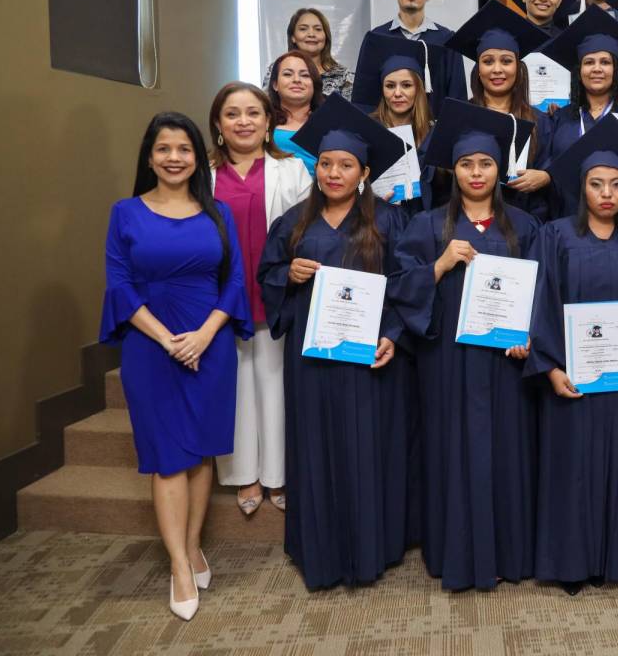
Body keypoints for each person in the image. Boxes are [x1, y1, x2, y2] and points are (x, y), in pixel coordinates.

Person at [256, 95, 414, 590]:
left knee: (368, 448)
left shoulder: (387, 221)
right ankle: (318, 549)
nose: (333, 173)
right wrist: (289, 272)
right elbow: (267, 276)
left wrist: (392, 334)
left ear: (363, 172)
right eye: (325, 163)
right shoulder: (292, 223)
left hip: (367, 359)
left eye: (345, 165)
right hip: (313, 357)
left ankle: (372, 549)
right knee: (316, 445)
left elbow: (406, 284)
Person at [100, 113, 251, 621]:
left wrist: (205, 335)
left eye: (184, 149)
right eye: (163, 149)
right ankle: (179, 567)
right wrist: (167, 339)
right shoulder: (125, 213)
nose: (173, 158)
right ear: (149, 157)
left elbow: (233, 283)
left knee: (202, 453)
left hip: (210, 343)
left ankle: (192, 547)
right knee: (168, 456)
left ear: (197, 157)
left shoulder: (218, 213)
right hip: (151, 346)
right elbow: (119, 285)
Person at [390, 99, 540, 591]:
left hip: (505, 364)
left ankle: (506, 552)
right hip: (447, 363)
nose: (476, 173)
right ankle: (454, 551)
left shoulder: (526, 226)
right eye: (466, 164)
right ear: (452, 170)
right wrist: (439, 264)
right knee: (451, 452)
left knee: (505, 453)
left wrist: (528, 339)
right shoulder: (427, 226)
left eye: (486, 163)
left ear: (501, 168)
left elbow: (545, 293)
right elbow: (399, 289)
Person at [527, 117, 618, 595]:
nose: (606, 193)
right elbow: (542, 301)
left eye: (616, 184)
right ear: (580, 188)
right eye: (596, 183)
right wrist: (551, 367)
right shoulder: (555, 236)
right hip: (572, 377)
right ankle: (571, 563)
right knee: (570, 468)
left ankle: (611, 559)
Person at [206, 82, 312, 516]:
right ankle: (243, 475)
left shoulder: (292, 171)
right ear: (218, 124)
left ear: (269, 121)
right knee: (234, 385)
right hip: (219, 298)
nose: (244, 121)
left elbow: (310, 228)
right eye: (233, 114)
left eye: (253, 113)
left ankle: (277, 475)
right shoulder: (203, 176)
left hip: (275, 292)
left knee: (274, 381)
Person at [536, 7, 618, 221]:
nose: (597, 69)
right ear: (579, 72)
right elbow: (549, 176)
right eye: (589, 62)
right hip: (569, 227)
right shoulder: (561, 119)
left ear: (617, 70)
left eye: (605, 62)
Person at [444, 0, 550, 217]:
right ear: (478, 69)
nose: (497, 69)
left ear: (518, 69)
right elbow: (431, 174)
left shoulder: (540, 121)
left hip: (524, 222)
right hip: (466, 222)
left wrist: (545, 177)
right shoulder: (458, 116)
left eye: (506, 61)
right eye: (488, 61)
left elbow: (553, 165)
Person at [365, 0, 467, 117]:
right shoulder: (376, 39)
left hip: (434, 138)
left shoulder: (448, 41)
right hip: (389, 135)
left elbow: (457, 97)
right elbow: (367, 99)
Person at [353, 30, 440, 214]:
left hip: (423, 221)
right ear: (382, 89)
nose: (397, 93)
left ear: (419, 89)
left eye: (406, 85)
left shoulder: (434, 133)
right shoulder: (367, 130)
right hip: (376, 219)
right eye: (390, 85)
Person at [262, 8, 354, 99]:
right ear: (293, 37)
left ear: (326, 37)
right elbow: (265, 107)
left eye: (318, 29)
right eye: (303, 29)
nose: (311, 34)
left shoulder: (344, 76)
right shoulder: (276, 69)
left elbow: (352, 113)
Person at [267, 50, 325, 175]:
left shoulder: (330, 124)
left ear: (314, 84)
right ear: (275, 85)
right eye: (288, 74)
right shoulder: (263, 123)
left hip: (320, 192)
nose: (297, 80)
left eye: (305, 75)